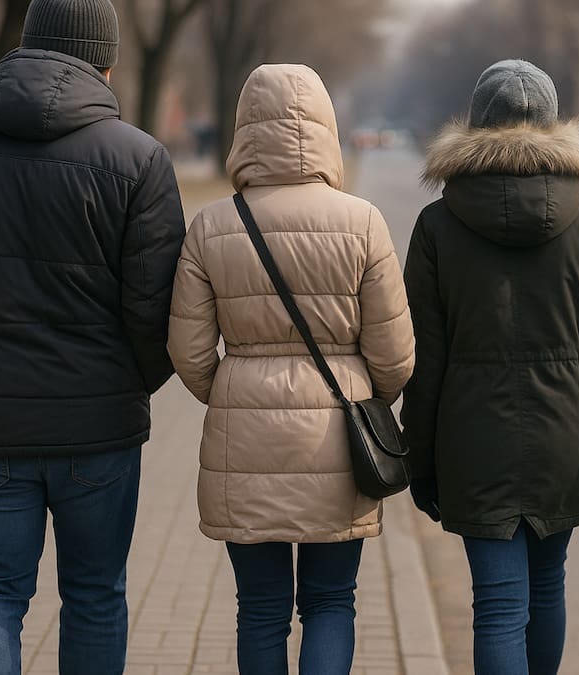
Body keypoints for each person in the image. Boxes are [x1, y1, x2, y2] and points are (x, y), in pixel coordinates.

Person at [0, 1, 185, 672]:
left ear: (26, 45)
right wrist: (130, 380)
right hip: (99, 426)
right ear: (105, 65)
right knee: (95, 596)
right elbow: (158, 309)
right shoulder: (139, 159)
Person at [167, 63, 415, 675]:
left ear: (245, 128)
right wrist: (365, 394)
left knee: (259, 609)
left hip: (244, 439)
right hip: (339, 439)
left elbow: (189, 352)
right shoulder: (363, 222)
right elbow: (395, 357)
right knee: (330, 603)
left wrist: (231, 390)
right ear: (327, 128)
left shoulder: (211, 226)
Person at [403, 60, 579, 675]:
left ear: (476, 124)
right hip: (565, 437)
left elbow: (421, 360)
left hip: (471, 439)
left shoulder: (436, 226)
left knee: (498, 605)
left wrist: (418, 459)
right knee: (547, 586)